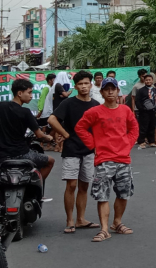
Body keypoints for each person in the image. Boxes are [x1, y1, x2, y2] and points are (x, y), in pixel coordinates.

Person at [75, 77, 139, 242]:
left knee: (124, 194)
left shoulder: (125, 110)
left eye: (113, 88)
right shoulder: (94, 112)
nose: (110, 91)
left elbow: (134, 128)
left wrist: (127, 144)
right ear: (102, 92)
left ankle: (116, 222)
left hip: (123, 158)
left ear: (118, 91)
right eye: (107, 89)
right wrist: (92, 145)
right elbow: (80, 127)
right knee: (102, 196)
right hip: (104, 159)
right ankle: (104, 229)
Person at [48, 71, 101, 233]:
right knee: (71, 185)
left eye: (86, 83)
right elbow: (51, 119)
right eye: (80, 84)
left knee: (84, 185)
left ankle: (81, 219)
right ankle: (70, 220)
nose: (84, 87)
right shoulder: (68, 103)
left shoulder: (96, 105)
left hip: (89, 150)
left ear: (91, 85)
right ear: (76, 86)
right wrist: (65, 134)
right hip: (71, 149)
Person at [0, 79, 55, 179]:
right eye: (29, 92)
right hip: (21, 154)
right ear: (20, 93)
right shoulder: (25, 112)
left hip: (2, 155)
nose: (31, 96)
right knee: (50, 161)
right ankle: (37, 192)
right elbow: (39, 135)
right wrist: (49, 138)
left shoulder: (1, 106)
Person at [136, 74, 156, 150]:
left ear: (152, 80)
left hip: (153, 111)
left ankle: (151, 141)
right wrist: (142, 108)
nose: (148, 81)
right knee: (143, 127)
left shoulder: (155, 90)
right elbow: (137, 101)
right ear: (144, 81)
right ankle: (141, 141)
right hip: (144, 112)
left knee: (152, 126)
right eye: (146, 80)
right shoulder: (141, 90)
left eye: (149, 80)